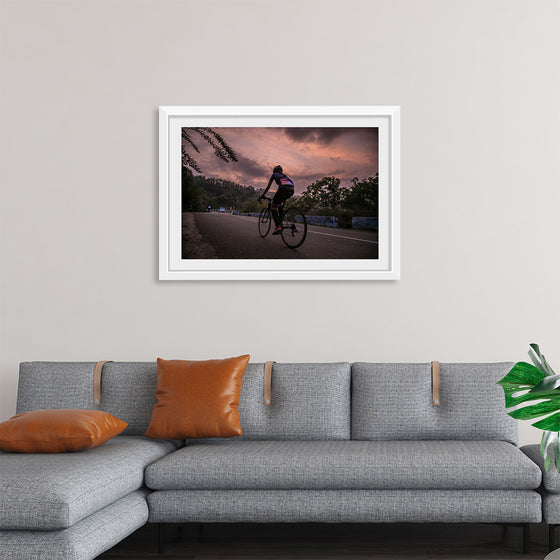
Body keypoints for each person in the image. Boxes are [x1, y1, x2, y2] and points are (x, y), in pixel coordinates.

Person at [260, 165, 295, 234]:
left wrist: (263, 195)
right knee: (279, 205)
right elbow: (288, 185)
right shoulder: (285, 176)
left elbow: (268, 187)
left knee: (273, 206)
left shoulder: (274, 174)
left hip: (283, 188)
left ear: (274, 171)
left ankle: (278, 227)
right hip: (291, 189)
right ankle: (282, 222)